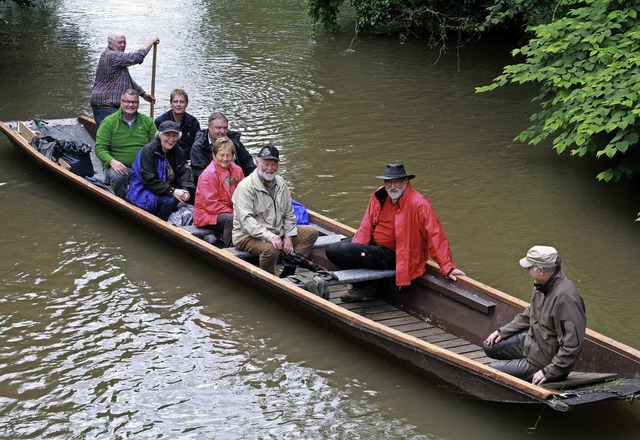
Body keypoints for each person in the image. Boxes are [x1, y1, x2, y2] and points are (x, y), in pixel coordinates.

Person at [325, 163, 465, 302]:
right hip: (375, 246)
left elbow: (435, 235)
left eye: (397, 182)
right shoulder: (380, 195)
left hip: (397, 255)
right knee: (334, 250)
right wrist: (357, 249)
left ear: (406, 181)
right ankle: (365, 285)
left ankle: (365, 288)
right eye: (388, 182)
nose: (392, 187)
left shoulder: (419, 204)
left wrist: (447, 267)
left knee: (342, 250)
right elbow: (366, 224)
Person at [483, 246, 587, 385]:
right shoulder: (541, 285)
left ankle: (529, 368)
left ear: (541, 270)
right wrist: (503, 332)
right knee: (489, 345)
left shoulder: (566, 299)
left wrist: (549, 371)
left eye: (529, 267)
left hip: (543, 362)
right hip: (533, 343)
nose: (527, 271)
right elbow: (529, 314)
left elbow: (572, 344)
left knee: (490, 371)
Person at [232, 145, 318, 276]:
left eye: (274, 164)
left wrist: (289, 236)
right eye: (266, 164)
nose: (270, 168)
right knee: (272, 249)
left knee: (311, 233)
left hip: (276, 230)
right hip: (246, 235)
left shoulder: (281, 183)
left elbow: (289, 213)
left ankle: (289, 271)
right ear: (257, 162)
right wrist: (270, 236)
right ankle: (270, 278)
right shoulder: (246, 186)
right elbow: (246, 221)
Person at [125, 121, 195, 220]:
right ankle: (162, 222)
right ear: (160, 136)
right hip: (144, 189)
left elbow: (184, 172)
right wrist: (172, 191)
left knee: (193, 193)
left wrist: (186, 190)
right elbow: (150, 180)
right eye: (168, 135)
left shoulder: (178, 151)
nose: (171, 139)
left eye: (175, 136)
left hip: (167, 188)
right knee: (171, 201)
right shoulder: (148, 151)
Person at [95, 89, 156, 198]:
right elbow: (100, 148)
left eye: (134, 102)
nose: (130, 105)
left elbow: (156, 145)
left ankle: (147, 201)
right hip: (119, 167)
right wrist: (112, 162)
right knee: (118, 177)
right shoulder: (109, 122)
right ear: (121, 102)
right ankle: (123, 201)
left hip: (142, 167)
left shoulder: (147, 121)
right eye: (127, 101)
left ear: (138, 104)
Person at [90, 33, 159, 125]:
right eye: (119, 42)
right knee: (116, 137)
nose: (122, 45)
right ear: (110, 44)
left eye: (124, 42)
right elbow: (137, 57)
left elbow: (126, 78)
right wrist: (151, 41)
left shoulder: (118, 61)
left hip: (111, 107)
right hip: (106, 107)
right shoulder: (111, 55)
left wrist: (142, 94)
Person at [193, 137, 244, 247]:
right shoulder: (209, 174)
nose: (225, 159)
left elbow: (243, 195)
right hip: (206, 214)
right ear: (214, 155)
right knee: (231, 220)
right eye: (221, 155)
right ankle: (230, 250)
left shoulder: (237, 170)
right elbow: (210, 204)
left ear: (232, 155)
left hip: (229, 210)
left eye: (228, 155)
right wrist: (234, 212)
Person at [191, 112, 256, 184]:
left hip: (237, 180)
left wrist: (255, 179)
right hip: (213, 184)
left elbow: (248, 163)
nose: (222, 131)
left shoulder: (235, 141)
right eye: (218, 128)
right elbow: (200, 173)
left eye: (225, 128)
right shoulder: (199, 146)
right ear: (209, 127)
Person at [154, 89, 201, 158]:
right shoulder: (160, 121)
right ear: (171, 103)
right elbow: (155, 145)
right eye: (175, 102)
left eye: (182, 102)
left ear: (186, 104)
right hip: (167, 158)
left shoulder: (193, 122)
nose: (178, 105)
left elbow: (198, 145)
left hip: (188, 160)